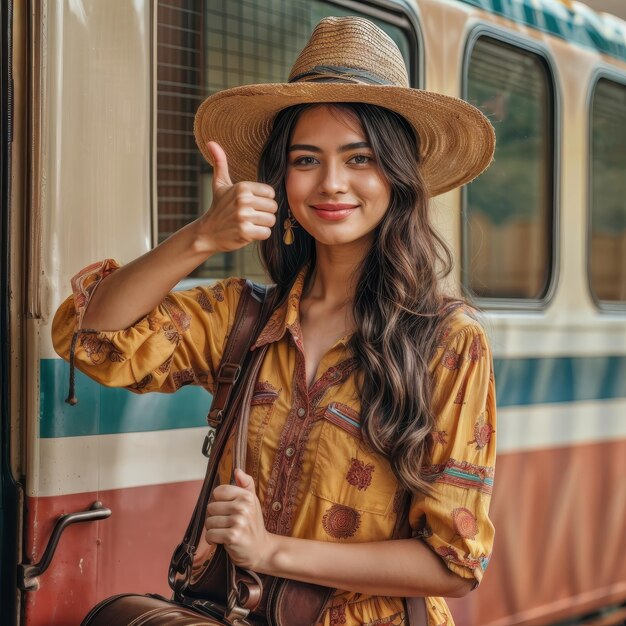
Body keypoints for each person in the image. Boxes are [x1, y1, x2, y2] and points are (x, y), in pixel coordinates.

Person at [52, 16, 496, 626]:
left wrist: (270, 551)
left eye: (359, 157)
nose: (332, 183)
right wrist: (200, 237)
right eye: (306, 159)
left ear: (396, 175)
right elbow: (91, 337)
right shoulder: (245, 316)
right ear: (281, 180)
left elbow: (453, 563)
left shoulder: (448, 341)